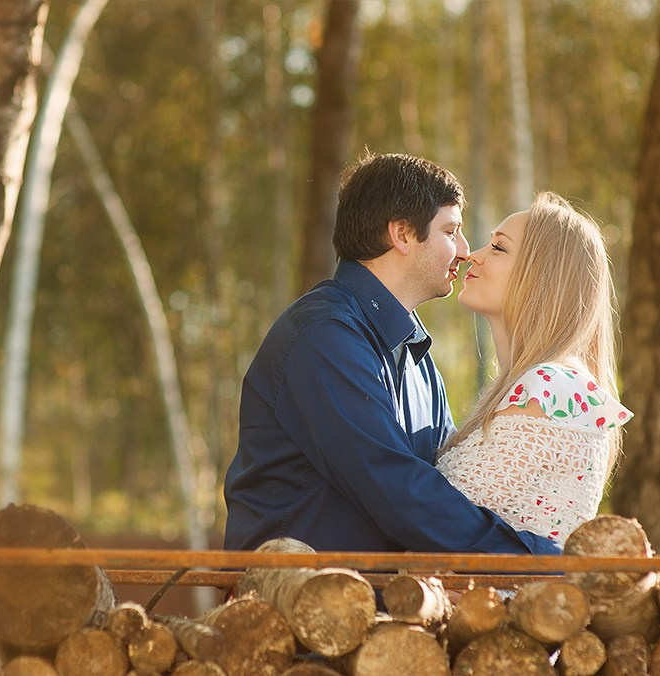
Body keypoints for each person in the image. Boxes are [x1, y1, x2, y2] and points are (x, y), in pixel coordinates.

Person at [223, 152, 560, 555]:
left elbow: (446, 481)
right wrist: (535, 559)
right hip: (289, 605)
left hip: (381, 606)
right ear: (401, 234)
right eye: (451, 231)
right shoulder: (324, 336)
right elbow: (395, 488)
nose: (466, 250)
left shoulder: (418, 357)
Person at [436, 192, 633, 547]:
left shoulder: (552, 387)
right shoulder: (533, 386)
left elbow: (438, 517)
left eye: (498, 248)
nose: (472, 256)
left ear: (542, 275)